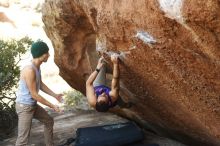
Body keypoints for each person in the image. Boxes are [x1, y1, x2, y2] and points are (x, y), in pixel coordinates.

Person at [15, 41, 62, 146]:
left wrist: (55, 95)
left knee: (49, 121)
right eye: (47, 53)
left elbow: (40, 84)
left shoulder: (37, 67)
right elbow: (34, 95)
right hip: (24, 107)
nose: (49, 55)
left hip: (32, 105)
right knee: (22, 140)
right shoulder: (30, 70)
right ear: (41, 54)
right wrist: (52, 106)